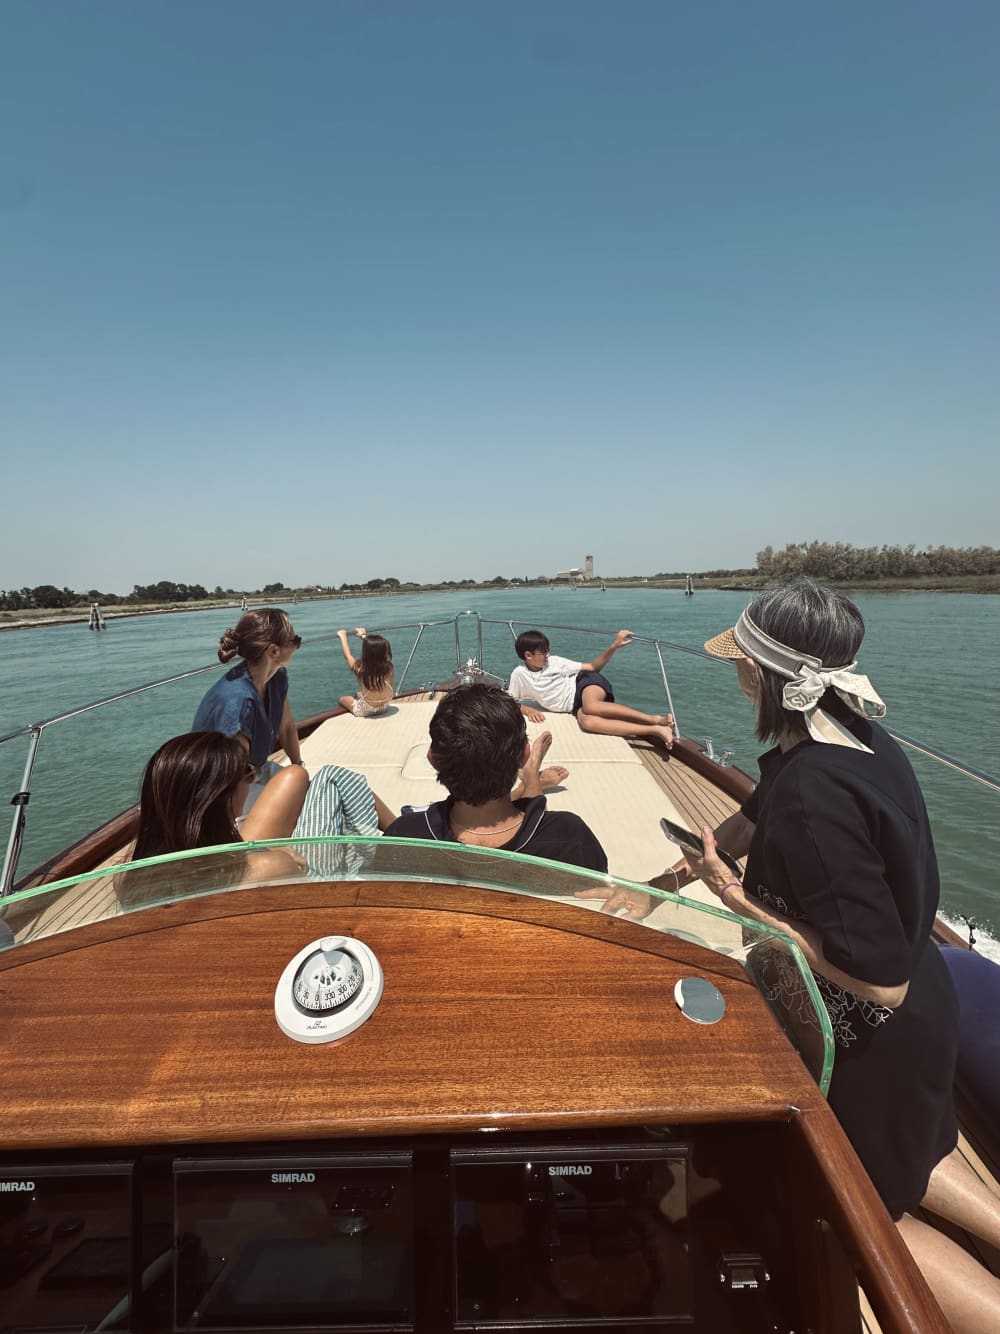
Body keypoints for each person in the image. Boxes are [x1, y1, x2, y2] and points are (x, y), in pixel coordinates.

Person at [578, 576, 1000, 1331]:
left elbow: (879, 984)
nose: (733, 667)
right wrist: (675, 875)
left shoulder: (816, 795)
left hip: (872, 1036)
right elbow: (758, 805)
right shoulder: (853, 737)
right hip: (928, 1014)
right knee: (923, 1147)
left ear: (763, 673)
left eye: (741, 657)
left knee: (868, 1210)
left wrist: (741, 903)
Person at [385, 683, 607, 873]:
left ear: (432, 758)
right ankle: (532, 777)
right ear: (524, 755)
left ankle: (532, 780)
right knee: (535, 813)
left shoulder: (405, 835)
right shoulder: (570, 836)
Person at [132, 731, 396, 860]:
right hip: (308, 882)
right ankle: (400, 839)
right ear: (221, 798)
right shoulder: (262, 867)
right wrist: (282, 851)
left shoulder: (135, 879)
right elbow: (296, 865)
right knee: (332, 777)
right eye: (247, 774)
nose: (253, 777)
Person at [506, 628, 676, 748]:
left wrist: (613, 647)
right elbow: (509, 701)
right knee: (587, 722)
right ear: (528, 655)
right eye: (543, 653)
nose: (548, 656)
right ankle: (654, 730)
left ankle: (655, 719)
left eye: (548, 651)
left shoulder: (555, 662)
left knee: (591, 706)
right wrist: (529, 710)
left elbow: (593, 667)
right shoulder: (519, 674)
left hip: (584, 683)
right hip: (573, 706)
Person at [193, 608, 304, 771]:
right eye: (295, 640)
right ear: (273, 651)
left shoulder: (277, 678)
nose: (297, 645)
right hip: (220, 785)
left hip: (253, 770)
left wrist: (298, 766)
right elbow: (232, 775)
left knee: (313, 779)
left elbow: (286, 727)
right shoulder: (238, 702)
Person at [337, 627, 394, 716]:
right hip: (384, 707)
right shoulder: (389, 667)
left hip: (366, 711)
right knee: (358, 694)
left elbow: (348, 655)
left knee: (342, 699)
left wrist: (343, 637)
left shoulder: (361, 671)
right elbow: (375, 648)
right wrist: (363, 635)